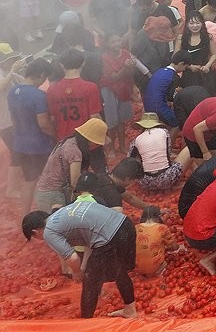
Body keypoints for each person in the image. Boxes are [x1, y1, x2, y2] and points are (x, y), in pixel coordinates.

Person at [23, 199, 138, 318]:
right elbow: (90, 242)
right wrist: (83, 267)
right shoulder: (63, 213)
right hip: (125, 225)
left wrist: (77, 272)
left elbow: (72, 258)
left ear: (35, 232)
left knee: (90, 282)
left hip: (110, 237)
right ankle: (130, 310)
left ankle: (84, 323)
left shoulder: (49, 231)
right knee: (120, 271)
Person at [7, 58, 55, 212]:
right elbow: (43, 124)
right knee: (50, 180)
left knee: (29, 180)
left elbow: (14, 119)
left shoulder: (13, 91)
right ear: (41, 74)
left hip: (20, 144)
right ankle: (50, 213)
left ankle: (25, 215)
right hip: (39, 146)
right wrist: (57, 137)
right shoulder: (38, 95)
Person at [135, 205, 177, 276]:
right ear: (158, 217)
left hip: (137, 268)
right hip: (155, 267)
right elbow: (174, 247)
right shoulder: (162, 228)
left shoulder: (135, 227)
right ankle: (158, 270)